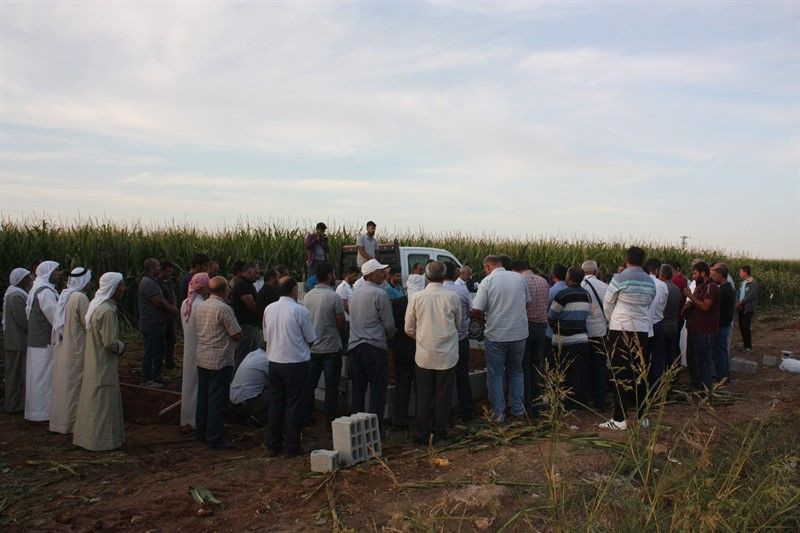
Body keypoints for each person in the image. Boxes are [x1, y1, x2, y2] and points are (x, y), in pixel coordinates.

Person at [598, 247, 656, 431]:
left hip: (621, 328)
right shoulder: (650, 281)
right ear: (643, 260)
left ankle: (619, 418)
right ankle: (642, 417)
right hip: (641, 330)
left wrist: (611, 319)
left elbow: (607, 302)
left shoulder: (620, 278)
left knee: (619, 374)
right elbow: (649, 302)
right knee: (640, 373)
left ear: (627, 259)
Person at [405, 261, 460, 444]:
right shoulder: (452, 297)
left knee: (423, 395)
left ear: (426, 277)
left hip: (424, 355)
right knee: (443, 396)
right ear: (444, 277)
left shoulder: (417, 297)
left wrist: (422, 338)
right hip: (447, 355)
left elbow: (409, 328)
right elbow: (458, 324)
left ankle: (420, 435)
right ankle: (440, 434)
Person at [471, 255, 529, 422]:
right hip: (519, 334)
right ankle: (518, 411)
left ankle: (499, 414)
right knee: (517, 372)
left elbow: (477, 309)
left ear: (488, 267)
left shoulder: (487, 282)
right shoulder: (519, 278)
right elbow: (528, 302)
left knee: (496, 375)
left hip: (496, 335)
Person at [73, 272, 127, 451]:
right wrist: (122, 346)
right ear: (113, 288)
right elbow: (110, 343)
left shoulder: (98, 307)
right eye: (121, 285)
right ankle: (102, 442)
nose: (124, 289)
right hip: (103, 363)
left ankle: (88, 437)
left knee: (95, 398)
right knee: (103, 403)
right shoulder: (107, 311)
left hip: (94, 362)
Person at [264, 277, 317, 456]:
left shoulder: (269, 309)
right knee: (294, 405)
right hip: (295, 363)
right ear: (294, 289)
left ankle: (273, 444)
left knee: (276, 404)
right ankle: (292, 446)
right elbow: (311, 338)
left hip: (274, 361)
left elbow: (266, 337)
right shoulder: (299, 311)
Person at [194, 276, 243, 450]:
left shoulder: (201, 305)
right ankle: (215, 437)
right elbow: (236, 333)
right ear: (225, 290)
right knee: (217, 400)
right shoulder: (223, 308)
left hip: (203, 357)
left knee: (203, 398)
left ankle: (202, 432)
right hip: (220, 360)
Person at [348, 259, 396, 426]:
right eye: (380, 271)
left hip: (355, 347)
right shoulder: (380, 294)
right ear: (370, 274)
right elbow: (389, 325)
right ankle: (375, 427)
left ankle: (356, 427)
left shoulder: (354, 295)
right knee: (377, 389)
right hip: (375, 347)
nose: (384, 274)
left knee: (358, 390)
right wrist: (390, 338)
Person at [303, 263, 347, 425]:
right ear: (329, 276)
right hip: (330, 348)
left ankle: (306, 415)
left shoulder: (308, 296)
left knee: (310, 385)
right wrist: (342, 336)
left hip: (312, 348)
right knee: (331, 386)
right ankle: (330, 420)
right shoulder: (333, 297)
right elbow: (341, 322)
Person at [49, 267, 91, 434]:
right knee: (74, 385)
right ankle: (72, 425)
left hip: (64, 346)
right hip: (76, 348)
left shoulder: (66, 295)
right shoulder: (80, 298)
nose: (90, 283)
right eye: (88, 279)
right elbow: (88, 323)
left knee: (65, 385)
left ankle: (61, 422)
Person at [548, 267, 591, 408]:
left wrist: (557, 328)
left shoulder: (563, 295)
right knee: (576, 373)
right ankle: (573, 402)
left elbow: (551, 316)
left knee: (560, 373)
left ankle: (560, 401)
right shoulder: (587, 295)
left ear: (570, 278)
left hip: (563, 341)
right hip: (581, 340)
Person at [511, 260, 550, 415]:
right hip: (541, 326)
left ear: (515, 270)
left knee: (523, 366)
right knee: (536, 366)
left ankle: (526, 404)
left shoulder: (520, 281)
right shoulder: (543, 281)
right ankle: (536, 402)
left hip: (527, 326)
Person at [25, 260, 61, 422]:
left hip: (37, 340)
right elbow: (55, 317)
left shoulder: (37, 288)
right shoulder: (45, 292)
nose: (59, 274)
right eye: (56, 271)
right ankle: (43, 413)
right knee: (43, 378)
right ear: (49, 273)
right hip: (43, 342)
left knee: (38, 376)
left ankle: (37, 412)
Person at [138, 258, 177, 388]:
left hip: (157, 323)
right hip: (151, 323)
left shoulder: (153, 282)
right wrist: (172, 309)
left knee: (160, 350)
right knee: (150, 351)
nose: (160, 268)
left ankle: (157, 376)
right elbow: (158, 301)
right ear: (151, 268)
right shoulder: (148, 283)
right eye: (157, 266)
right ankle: (146, 379)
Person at [682, 261, 720, 393]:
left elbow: (705, 306)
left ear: (703, 273)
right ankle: (699, 386)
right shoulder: (700, 287)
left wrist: (690, 296)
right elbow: (696, 304)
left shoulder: (711, 287)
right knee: (698, 359)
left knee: (704, 361)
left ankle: (706, 390)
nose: (693, 276)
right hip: (697, 329)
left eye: (695, 273)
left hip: (706, 330)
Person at [443, 262, 474, 422]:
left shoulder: (430, 293)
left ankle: (444, 417)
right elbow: (470, 311)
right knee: (463, 377)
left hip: (442, 344)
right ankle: (467, 412)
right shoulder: (461, 290)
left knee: (444, 381)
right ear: (455, 273)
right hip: (460, 340)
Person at [180, 272, 210, 428]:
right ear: (203, 286)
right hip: (200, 350)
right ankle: (196, 420)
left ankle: (187, 418)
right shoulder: (201, 305)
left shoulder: (186, 303)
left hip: (188, 349)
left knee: (189, 384)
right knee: (198, 386)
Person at [580, 260, 610, 410]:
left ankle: (586, 397)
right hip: (601, 331)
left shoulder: (580, 286)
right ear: (596, 272)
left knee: (584, 365)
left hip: (584, 331)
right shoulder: (605, 287)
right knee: (599, 365)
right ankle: (601, 400)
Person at [3, 268, 32, 413]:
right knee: (16, 374)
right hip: (18, 342)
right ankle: (14, 405)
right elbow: (23, 321)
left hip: (15, 341)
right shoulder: (16, 296)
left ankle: (15, 404)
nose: (30, 279)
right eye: (27, 278)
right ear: (21, 280)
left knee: (16, 374)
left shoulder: (15, 294)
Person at [230, 262, 262, 369]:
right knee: (243, 356)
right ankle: (236, 380)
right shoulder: (243, 285)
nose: (258, 276)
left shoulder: (247, 284)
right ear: (249, 271)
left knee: (251, 355)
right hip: (246, 326)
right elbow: (251, 305)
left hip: (250, 325)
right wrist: (262, 313)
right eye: (257, 273)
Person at [229, 346, 269, 426]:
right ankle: (256, 419)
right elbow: (279, 382)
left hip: (233, 400)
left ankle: (243, 416)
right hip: (247, 402)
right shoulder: (266, 360)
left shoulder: (253, 354)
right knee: (277, 394)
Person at [646, 259, 669, 387]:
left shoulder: (641, 283)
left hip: (644, 324)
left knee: (643, 356)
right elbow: (663, 305)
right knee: (657, 357)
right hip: (658, 323)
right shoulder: (662, 285)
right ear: (657, 270)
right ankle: (655, 385)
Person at [711, 263, 734, 382]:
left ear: (720, 274)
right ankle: (725, 374)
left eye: (715, 274)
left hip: (721, 324)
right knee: (722, 350)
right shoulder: (728, 288)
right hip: (724, 324)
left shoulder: (723, 290)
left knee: (719, 351)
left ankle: (721, 376)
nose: (713, 276)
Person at [658, 264, 683, 371]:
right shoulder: (677, 289)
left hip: (663, 326)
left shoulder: (662, 288)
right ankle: (672, 378)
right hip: (673, 326)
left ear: (661, 275)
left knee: (661, 356)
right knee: (671, 355)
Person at [159, 259, 178, 370]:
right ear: (163, 270)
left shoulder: (168, 281)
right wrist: (171, 308)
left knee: (172, 339)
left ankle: (169, 361)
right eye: (169, 271)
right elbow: (160, 299)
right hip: (163, 316)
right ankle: (161, 363)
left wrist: (174, 306)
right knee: (163, 341)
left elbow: (172, 294)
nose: (170, 273)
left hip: (170, 316)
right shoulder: (158, 282)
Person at [736, 265, 758, 352]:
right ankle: (745, 345)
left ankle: (748, 346)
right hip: (741, 307)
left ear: (745, 272)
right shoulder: (743, 283)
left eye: (741, 272)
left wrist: (741, 303)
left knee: (746, 327)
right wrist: (737, 302)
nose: (739, 273)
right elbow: (738, 293)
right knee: (741, 326)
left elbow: (750, 296)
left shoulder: (753, 283)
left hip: (747, 308)